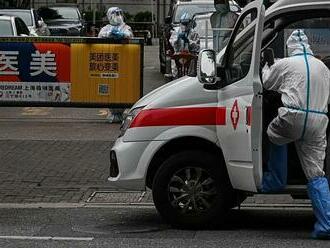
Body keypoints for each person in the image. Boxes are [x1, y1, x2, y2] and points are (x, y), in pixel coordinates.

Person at [262, 29, 330, 239]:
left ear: (291, 48)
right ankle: (325, 225)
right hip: (318, 121)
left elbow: (266, 83)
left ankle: (276, 180)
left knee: (274, 134)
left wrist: (267, 66)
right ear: (308, 47)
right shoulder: (323, 67)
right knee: (315, 173)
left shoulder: (286, 64)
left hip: (293, 117)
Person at [169, 12, 200, 78]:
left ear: (190, 23)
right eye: (183, 23)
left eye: (186, 23)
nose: (184, 26)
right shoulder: (176, 31)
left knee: (189, 77)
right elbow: (172, 42)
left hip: (190, 59)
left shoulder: (194, 33)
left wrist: (188, 41)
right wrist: (177, 39)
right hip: (178, 58)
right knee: (176, 76)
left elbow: (197, 47)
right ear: (180, 23)